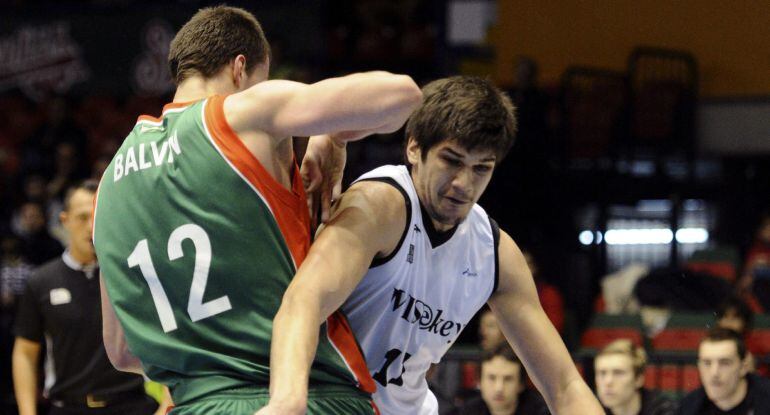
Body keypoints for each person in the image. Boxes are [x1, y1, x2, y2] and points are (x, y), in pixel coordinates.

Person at [92, 5, 422, 415]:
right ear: (240, 68)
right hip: (306, 396)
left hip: (195, 404)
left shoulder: (107, 185)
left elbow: (122, 351)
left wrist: (207, 358)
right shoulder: (244, 111)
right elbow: (403, 96)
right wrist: (331, 133)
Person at [263, 76, 603, 414]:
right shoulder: (380, 206)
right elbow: (302, 302)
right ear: (414, 148)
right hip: (331, 404)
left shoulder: (494, 252)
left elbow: (564, 385)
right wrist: (286, 401)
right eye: (451, 161)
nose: (463, 184)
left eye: (480, 168)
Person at [12, 180, 166, 415]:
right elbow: (25, 352)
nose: (91, 226)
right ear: (65, 221)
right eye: (83, 217)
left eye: (98, 216)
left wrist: (167, 402)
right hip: (68, 407)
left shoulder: (134, 275)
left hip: (133, 405)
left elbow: (167, 338)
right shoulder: (42, 281)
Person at [678, 328, 770, 415]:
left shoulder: (765, 400)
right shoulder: (689, 407)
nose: (714, 373)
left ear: (743, 367)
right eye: (707, 363)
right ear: (699, 366)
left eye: (724, 363)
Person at [450, 343, 549, 415]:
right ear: (479, 381)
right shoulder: (465, 411)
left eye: (508, 379)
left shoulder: (543, 411)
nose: (499, 388)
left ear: (521, 384)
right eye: (492, 378)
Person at [594, 339, 676, 415]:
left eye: (618, 373)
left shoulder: (663, 409)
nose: (608, 381)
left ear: (638, 379)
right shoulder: (591, 408)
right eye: (602, 373)